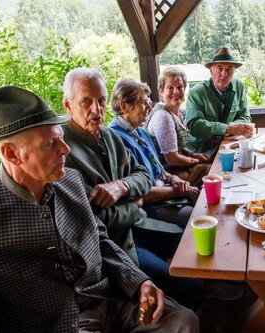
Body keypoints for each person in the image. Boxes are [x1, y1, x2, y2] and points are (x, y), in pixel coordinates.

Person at [0, 86, 198, 332]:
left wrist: (139, 281)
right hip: (52, 322)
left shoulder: (71, 180)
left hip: (108, 302)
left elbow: (99, 239)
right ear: (11, 154)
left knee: (183, 319)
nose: (65, 149)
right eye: (49, 145)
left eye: (61, 139)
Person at [61, 68, 203, 311]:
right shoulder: (64, 151)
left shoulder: (108, 136)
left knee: (196, 247)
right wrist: (133, 203)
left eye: (101, 100)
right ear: (67, 105)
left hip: (142, 226)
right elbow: (94, 220)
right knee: (193, 287)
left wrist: (122, 186)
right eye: (86, 101)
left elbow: (144, 174)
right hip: (116, 246)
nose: (97, 110)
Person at [108, 78, 199, 227]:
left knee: (202, 199)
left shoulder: (139, 132)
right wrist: (178, 191)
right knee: (196, 217)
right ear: (125, 107)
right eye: (143, 103)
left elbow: (157, 168)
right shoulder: (115, 139)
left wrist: (172, 178)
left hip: (164, 192)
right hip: (148, 207)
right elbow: (139, 193)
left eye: (148, 102)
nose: (149, 107)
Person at [144, 66, 211, 187]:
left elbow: (175, 144)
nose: (176, 91)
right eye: (170, 87)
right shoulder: (162, 116)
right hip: (167, 175)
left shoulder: (176, 112)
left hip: (177, 168)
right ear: (161, 90)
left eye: (180, 87)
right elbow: (172, 158)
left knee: (214, 166)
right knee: (212, 172)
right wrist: (195, 161)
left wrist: (191, 154)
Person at [185, 46, 253, 157]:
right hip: (201, 150)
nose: (224, 74)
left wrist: (227, 131)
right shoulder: (197, 92)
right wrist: (228, 129)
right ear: (211, 71)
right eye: (219, 68)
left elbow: (246, 117)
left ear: (234, 71)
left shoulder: (239, 86)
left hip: (230, 145)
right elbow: (194, 125)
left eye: (229, 68)